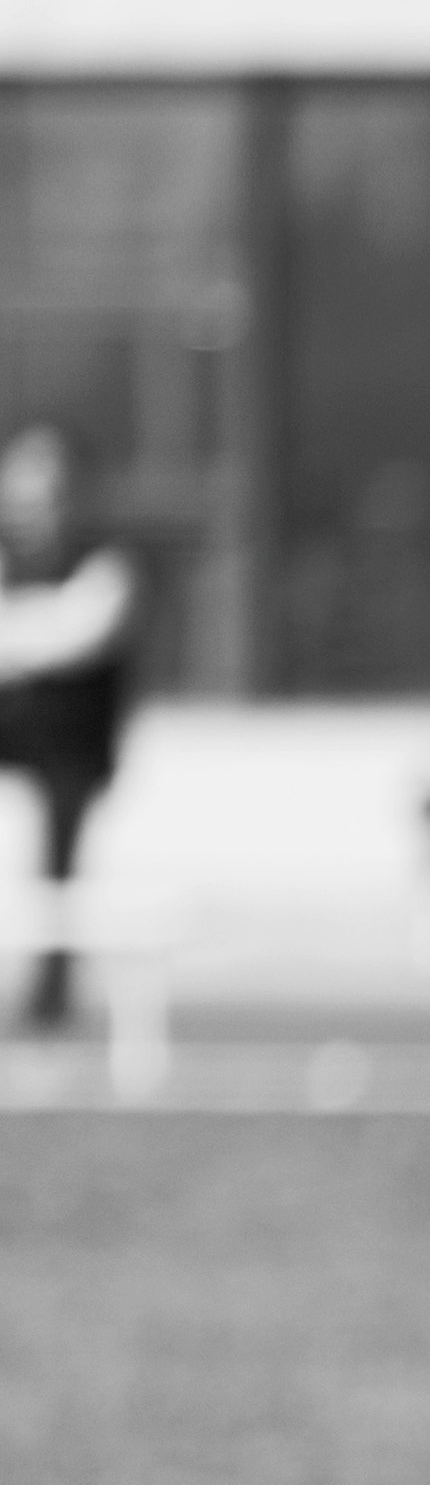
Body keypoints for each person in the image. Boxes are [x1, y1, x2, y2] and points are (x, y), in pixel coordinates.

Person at [0, 424, 140, 1036]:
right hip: (13, 727)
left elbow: (82, 631)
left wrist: (21, 631)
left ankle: (48, 1004)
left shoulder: (105, 555)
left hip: (73, 744)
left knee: (59, 857)